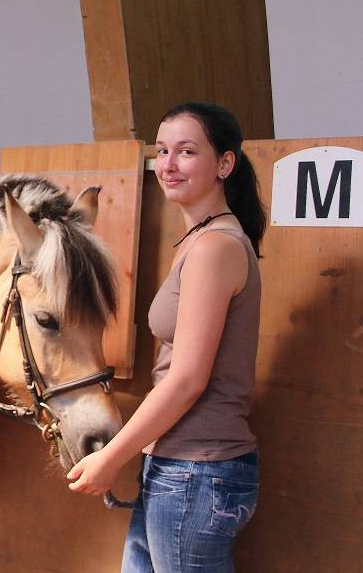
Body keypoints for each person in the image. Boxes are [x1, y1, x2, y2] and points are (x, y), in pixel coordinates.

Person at [67, 102, 266, 572]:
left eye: (187, 151)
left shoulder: (216, 247)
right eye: (162, 151)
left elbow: (187, 379)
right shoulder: (201, 241)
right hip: (178, 465)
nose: (169, 165)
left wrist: (111, 458)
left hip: (197, 471)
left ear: (224, 164)